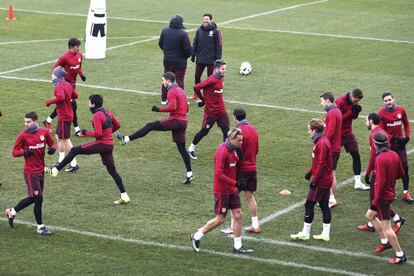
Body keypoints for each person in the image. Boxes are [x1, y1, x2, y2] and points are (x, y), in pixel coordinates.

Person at [45, 94, 130, 205]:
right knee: (112, 171)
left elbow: (98, 134)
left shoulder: (96, 116)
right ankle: (124, 196)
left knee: (75, 150)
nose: (88, 105)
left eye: (89, 103)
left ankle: (55, 170)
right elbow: (117, 125)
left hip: (102, 144)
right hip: (109, 146)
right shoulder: (108, 112)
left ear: (93, 104)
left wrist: (86, 133)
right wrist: (108, 132)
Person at [116, 72, 193, 184]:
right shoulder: (181, 90)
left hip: (176, 120)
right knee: (181, 148)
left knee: (150, 126)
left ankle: (126, 139)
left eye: (163, 80)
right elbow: (186, 109)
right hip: (183, 121)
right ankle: (189, 174)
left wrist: (158, 109)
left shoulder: (171, 90)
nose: (163, 82)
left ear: (168, 80)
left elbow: (173, 107)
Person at [190, 128, 254, 254]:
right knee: (220, 219)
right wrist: (235, 182)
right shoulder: (222, 151)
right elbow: (218, 174)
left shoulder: (235, 150)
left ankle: (237, 246)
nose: (241, 143)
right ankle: (196, 236)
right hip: (222, 190)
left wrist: (238, 181)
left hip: (232, 189)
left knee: (238, 214)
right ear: (231, 139)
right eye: (239, 140)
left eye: (242, 140)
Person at [5, 111, 56, 235]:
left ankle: (12, 211)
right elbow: (14, 152)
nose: (26, 124)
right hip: (30, 172)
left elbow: (52, 143)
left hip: (41, 170)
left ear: (35, 121)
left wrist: (53, 149)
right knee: (38, 198)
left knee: (34, 197)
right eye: (25, 121)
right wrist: (24, 152)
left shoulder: (44, 132)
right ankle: (40, 227)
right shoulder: (22, 136)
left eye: (28, 122)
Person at [357, 113, 405, 243]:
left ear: (371, 121)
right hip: (387, 169)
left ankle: (395, 221)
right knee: (375, 205)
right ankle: (373, 224)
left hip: (377, 172)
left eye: (366, 120)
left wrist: (367, 172)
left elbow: (374, 156)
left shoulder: (374, 135)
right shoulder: (381, 131)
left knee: (375, 202)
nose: (365, 122)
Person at [367, 132, 406, 264]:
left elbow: (381, 182)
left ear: (375, 144)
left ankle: (400, 255)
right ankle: (384, 242)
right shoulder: (394, 154)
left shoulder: (379, 159)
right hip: (389, 192)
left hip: (383, 197)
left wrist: (375, 200)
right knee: (370, 215)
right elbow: (401, 172)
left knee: (388, 227)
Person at [291, 119, 333, 242]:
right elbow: (319, 162)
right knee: (324, 205)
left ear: (314, 130)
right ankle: (325, 234)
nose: (308, 132)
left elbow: (321, 163)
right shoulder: (321, 141)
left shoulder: (321, 143)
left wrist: (314, 179)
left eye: (309, 130)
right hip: (325, 179)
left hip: (322, 180)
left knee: (309, 204)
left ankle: (305, 232)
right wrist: (310, 172)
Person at [221, 108, 260, 235]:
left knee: (234, 198)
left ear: (235, 117)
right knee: (250, 196)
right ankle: (255, 225)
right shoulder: (254, 129)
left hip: (241, 170)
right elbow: (257, 149)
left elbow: (236, 150)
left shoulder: (238, 132)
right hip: (252, 167)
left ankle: (233, 227)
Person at [188, 59, 229, 160]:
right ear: (217, 69)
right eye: (223, 69)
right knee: (204, 131)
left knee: (226, 132)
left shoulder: (221, 77)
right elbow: (196, 87)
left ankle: (225, 154)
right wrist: (203, 99)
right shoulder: (212, 79)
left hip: (221, 110)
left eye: (225, 69)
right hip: (211, 112)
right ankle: (191, 148)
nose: (225, 71)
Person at [44, 38, 86, 134]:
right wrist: (57, 82)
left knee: (65, 104)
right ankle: (77, 129)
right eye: (77, 47)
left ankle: (48, 120)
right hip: (65, 85)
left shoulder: (79, 55)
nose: (79, 49)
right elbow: (55, 69)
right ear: (71, 47)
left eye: (79, 46)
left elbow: (79, 67)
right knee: (73, 105)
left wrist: (81, 74)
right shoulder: (64, 57)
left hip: (73, 84)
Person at [378, 92, 412, 203]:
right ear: (383, 102)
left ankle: (406, 193)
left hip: (400, 145)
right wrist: (394, 138)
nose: (388, 102)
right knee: (390, 170)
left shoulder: (401, 110)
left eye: (389, 100)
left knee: (405, 167)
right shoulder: (381, 113)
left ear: (393, 99)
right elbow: (382, 131)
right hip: (388, 146)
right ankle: (390, 192)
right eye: (386, 101)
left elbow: (406, 124)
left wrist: (407, 137)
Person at [45, 66, 79, 172]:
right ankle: (61, 159)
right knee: (58, 137)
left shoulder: (58, 85)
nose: (52, 75)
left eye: (53, 74)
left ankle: (74, 163)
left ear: (58, 75)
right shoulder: (67, 84)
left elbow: (61, 97)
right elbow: (75, 95)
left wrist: (50, 102)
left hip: (64, 116)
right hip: (67, 115)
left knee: (66, 140)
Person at [335, 89, 369, 190]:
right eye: (356, 99)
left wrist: (356, 112)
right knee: (334, 158)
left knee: (356, 155)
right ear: (351, 95)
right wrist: (351, 112)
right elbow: (338, 119)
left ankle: (357, 182)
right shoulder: (339, 101)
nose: (356, 101)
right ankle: (326, 178)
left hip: (348, 133)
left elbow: (353, 117)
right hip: (338, 134)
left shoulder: (355, 101)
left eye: (358, 100)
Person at [158, 14, 192, 104]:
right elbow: (188, 49)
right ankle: (180, 99)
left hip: (168, 61)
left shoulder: (165, 31)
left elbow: (160, 44)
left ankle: (163, 99)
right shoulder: (183, 33)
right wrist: (185, 56)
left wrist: (167, 53)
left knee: (166, 79)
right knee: (179, 80)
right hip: (180, 62)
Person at [190, 13, 222, 99]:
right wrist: (193, 54)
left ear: (210, 20)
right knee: (197, 76)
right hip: (200, 58)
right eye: (204, 19)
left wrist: (218, 59)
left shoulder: (215, 31)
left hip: (211, 60)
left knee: (210, 79)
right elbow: (195, 43)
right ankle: (197, 93)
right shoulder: (199, 30)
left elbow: (218, 45)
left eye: (207, 19)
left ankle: (209, 94)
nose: (205, 21)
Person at [320, 92, 342, 208]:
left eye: (322, 101)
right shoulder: (336, 111)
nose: (321, 103)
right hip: (335, 147)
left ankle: (331, 199)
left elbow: (330, 131)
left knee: (328, 174)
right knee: (331, 173)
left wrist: (323, 145)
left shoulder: (332, 113)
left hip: (331, 148)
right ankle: (330, 197)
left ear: (328, 101)